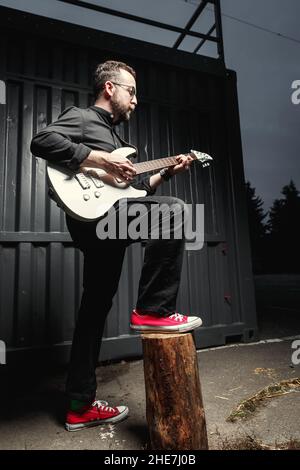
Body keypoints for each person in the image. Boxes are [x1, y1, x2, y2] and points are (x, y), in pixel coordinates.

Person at [30, 60, 202, 432]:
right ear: (110, 88)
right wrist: (98, 157)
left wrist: (166, 172)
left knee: (93, 311)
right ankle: (154, 309)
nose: (135, 101)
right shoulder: (82, 118)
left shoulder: (121, 142)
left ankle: (79, 405)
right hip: (95, 221)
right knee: (175, 212)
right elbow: (40, 141)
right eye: (131, 92)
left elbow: (135, 193)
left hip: (111, 221)